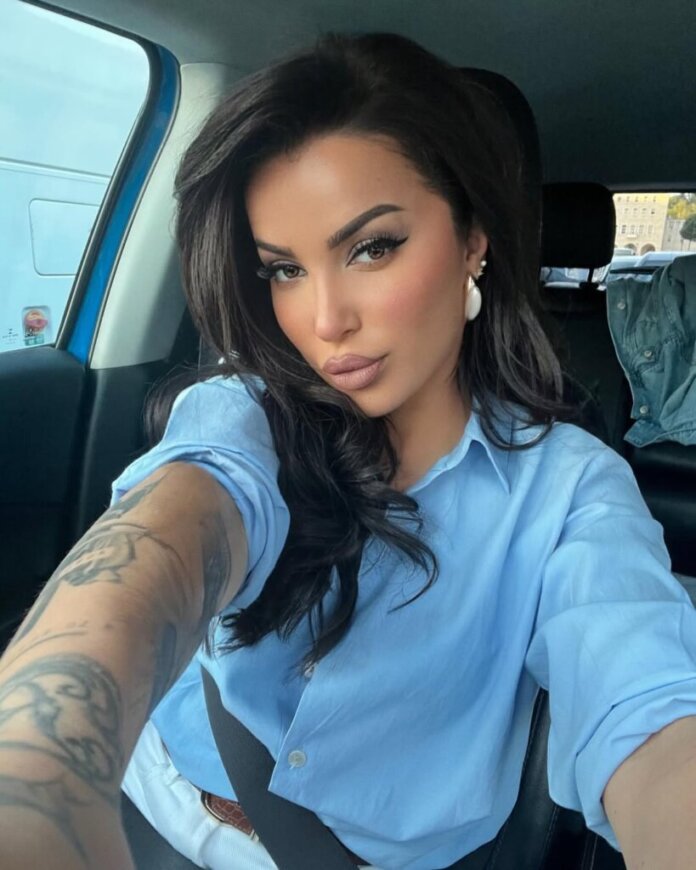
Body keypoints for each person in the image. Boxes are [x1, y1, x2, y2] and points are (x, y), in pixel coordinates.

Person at [2, 31, 696, 870]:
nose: (325, 320)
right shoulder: (246, 415)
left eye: (372, 247)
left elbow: (647, 710)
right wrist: (40, 774)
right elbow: (158, 546)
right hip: (149, 807)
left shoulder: (572, 490)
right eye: (284, 270)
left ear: (472, 239)